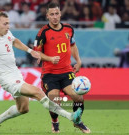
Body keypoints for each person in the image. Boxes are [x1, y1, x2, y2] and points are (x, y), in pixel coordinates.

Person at [0, 12, 82, 133]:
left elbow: (15, 41)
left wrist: (30, 51)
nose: (8, 26)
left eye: (8, 23)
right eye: (5, 24)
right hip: (7, 79)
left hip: (16, 74)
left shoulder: (7, 33)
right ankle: (70, 116)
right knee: (38, 92)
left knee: (23, 108)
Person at [34, 3, 90, 133]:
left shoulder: (69, 29)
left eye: (57, 14)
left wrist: (79, 61)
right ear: (47, 16)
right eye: (52, 14)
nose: (55, 17)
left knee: (78, 97)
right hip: (50, 74)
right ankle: (55, 122)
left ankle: (77, 121)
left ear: (60, 14)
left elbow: (73, 45)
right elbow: (36, 53)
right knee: (55, 101)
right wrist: (49, 58)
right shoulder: (43, 32)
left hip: (66, 72)